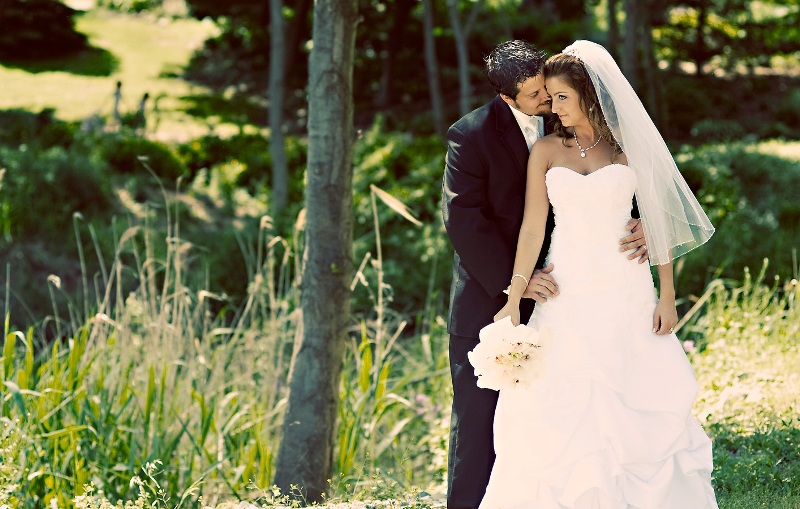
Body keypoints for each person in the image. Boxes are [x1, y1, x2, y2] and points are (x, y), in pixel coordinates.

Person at [482, 40, 718, 508]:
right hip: (566, 286)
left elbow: (657, 219)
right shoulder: (546, 150)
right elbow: (533, 227)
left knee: (635, 386)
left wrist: (667, 294)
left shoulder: (626, 148)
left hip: (624, 284)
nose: (553, 106)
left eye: (561, 97)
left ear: (588, 94)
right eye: (549, 97)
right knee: (561, 392)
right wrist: (513, 297)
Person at [441, 40, 649, 509]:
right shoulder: (468, 135)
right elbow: (463, 220)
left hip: (576, 291)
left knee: (562, 419)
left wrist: (642, 221)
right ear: (508, 97)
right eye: (536, 94)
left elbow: (612, 182)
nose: (547, 101)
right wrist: (515, 281)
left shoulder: (572, 115)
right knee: (480, 426)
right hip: (493, 296)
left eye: (549, 89)